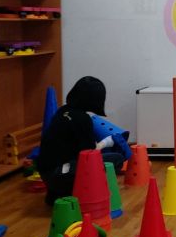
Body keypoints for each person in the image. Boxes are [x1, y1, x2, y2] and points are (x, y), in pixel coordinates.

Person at [38, 76, 126, 205]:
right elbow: (89, 155)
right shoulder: (82, 119)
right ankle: (77, 193)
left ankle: (56, 193)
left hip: (46, 173)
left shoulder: (63, 110)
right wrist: (106, 142)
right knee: (116, 159)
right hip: (61, 175)